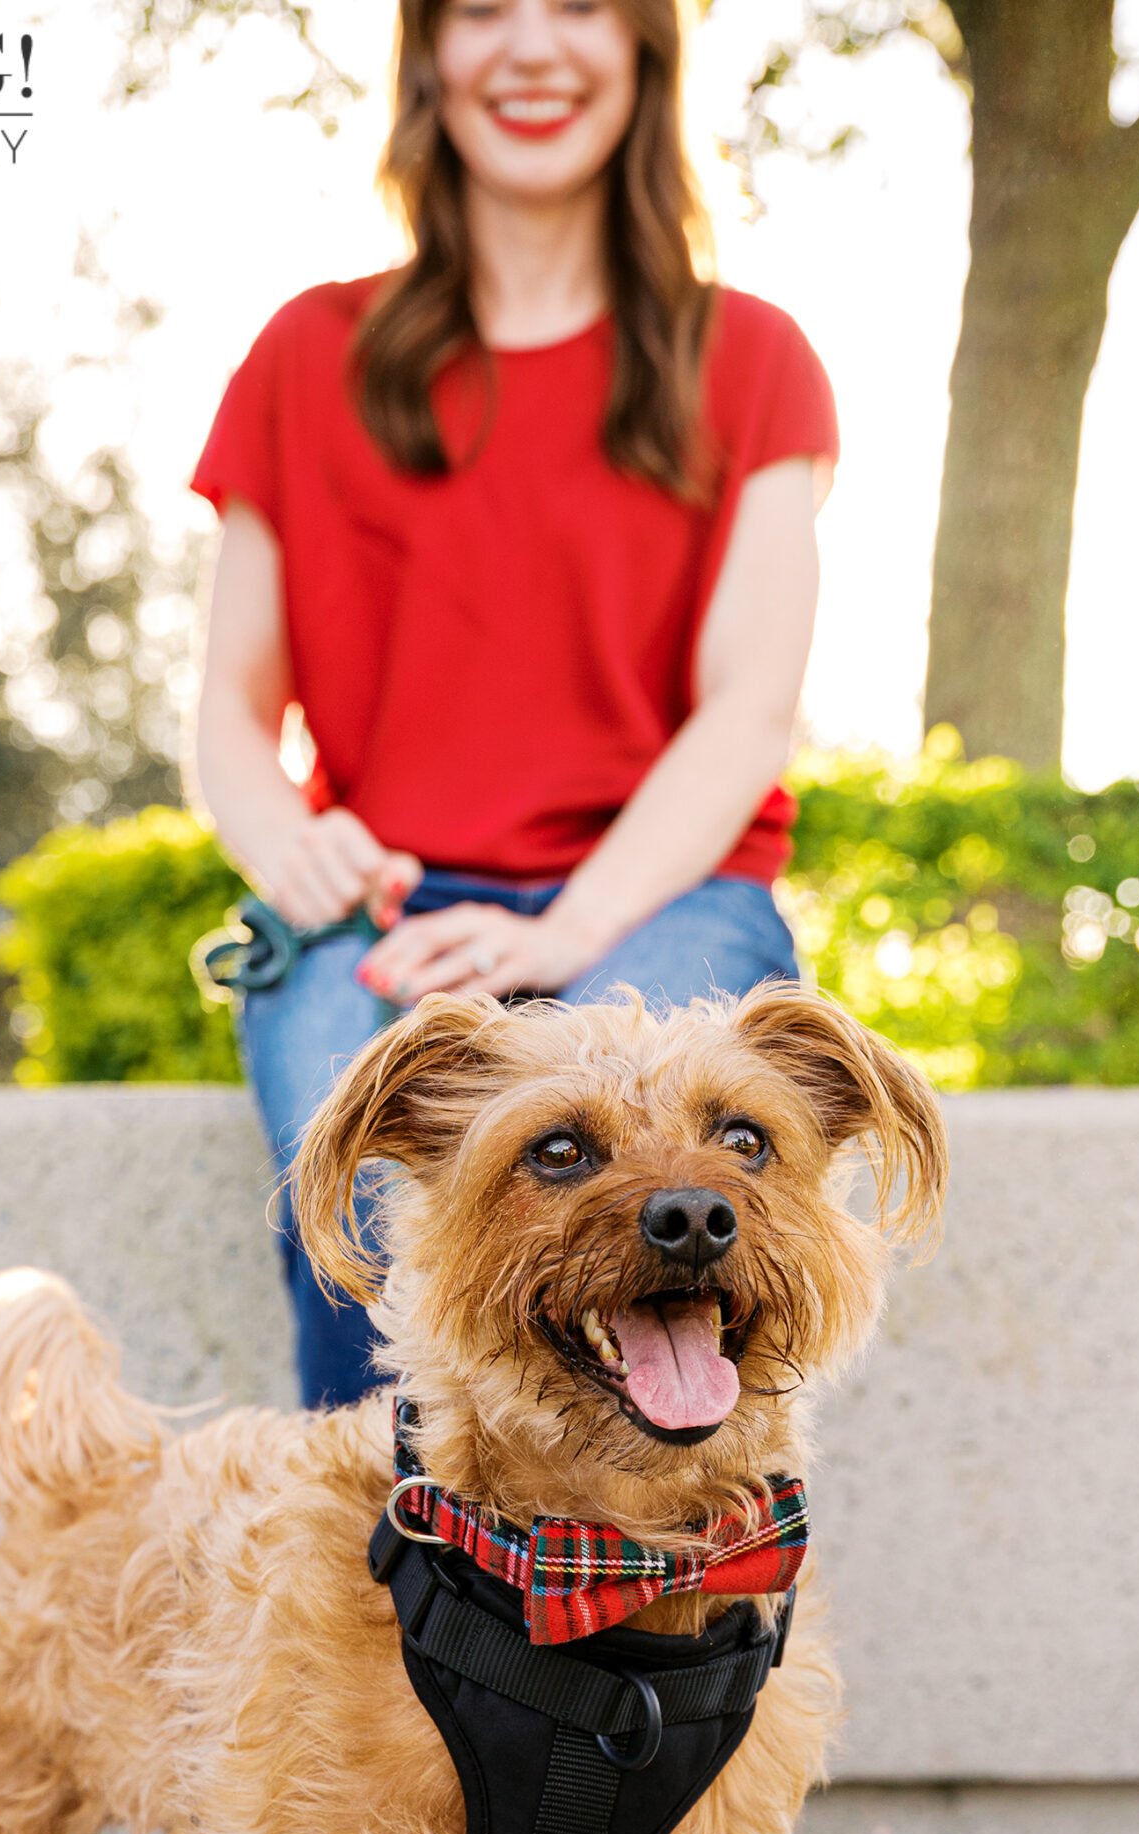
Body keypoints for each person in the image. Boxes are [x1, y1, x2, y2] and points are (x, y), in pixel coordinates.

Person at [191, 0, 838, 1411]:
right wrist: (289, 850)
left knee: (673, 1182)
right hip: (397, 900)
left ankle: (669, 1596)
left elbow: (744, 715)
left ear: (644, 53)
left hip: (669, 889)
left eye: (583, 8)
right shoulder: (309, 353)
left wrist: (564, 931)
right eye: (483, 9)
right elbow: (232, 718)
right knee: (361, 1188)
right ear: (427, 57)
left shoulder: (755, 358)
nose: (532, 46)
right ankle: (388, 1586)